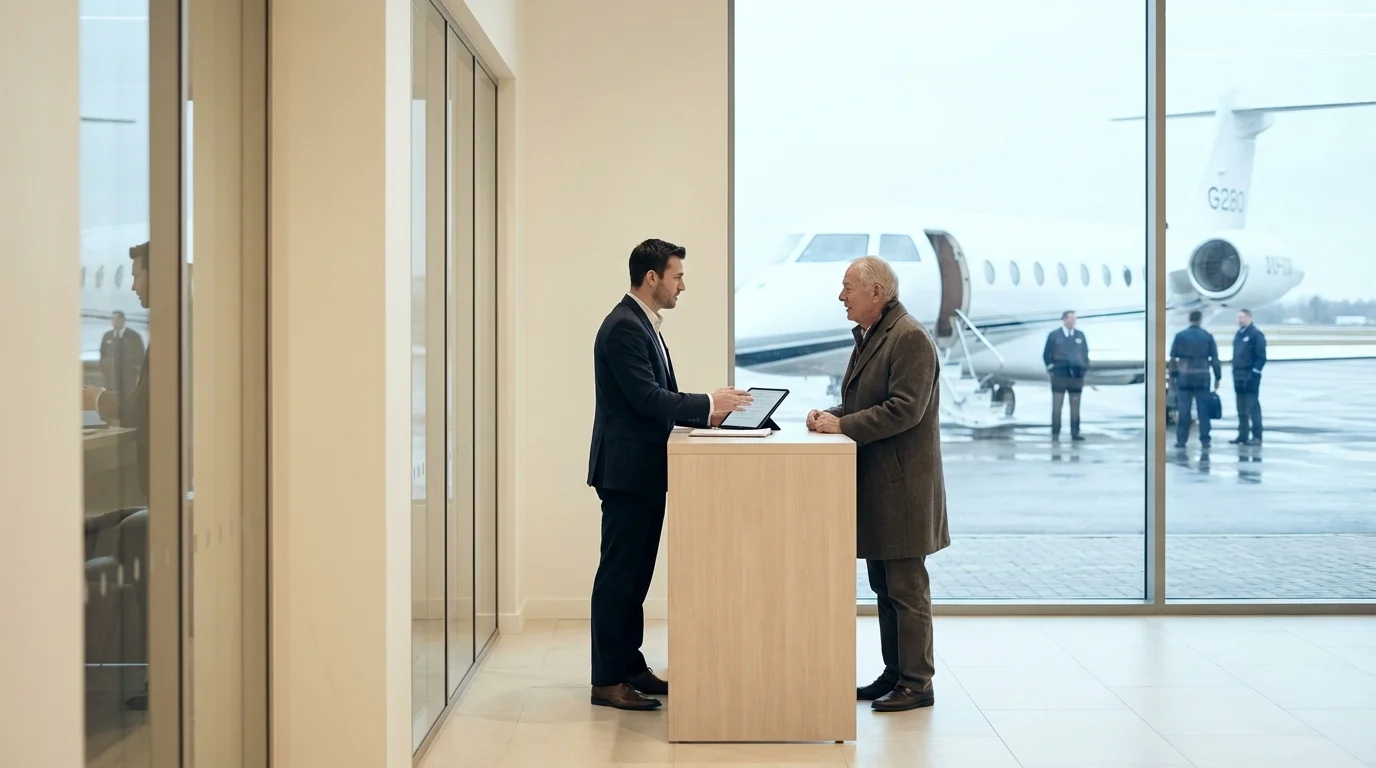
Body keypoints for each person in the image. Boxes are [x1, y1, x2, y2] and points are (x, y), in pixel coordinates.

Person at [586, 238, 751, 711]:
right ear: (652, 278)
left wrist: (710, 409)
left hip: (642, 471)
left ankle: (630, 666)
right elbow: (647, 399)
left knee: (635, 576)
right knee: (619, 577)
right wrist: (707, 405)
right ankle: (607, 680)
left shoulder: (643, 324)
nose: (684, 285)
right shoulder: (623, 328)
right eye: (677, 275)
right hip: (626, 472)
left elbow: (656, 397)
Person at [806, 255, 949, 713]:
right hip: (881, 487)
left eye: (848, 287)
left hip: (903, 488)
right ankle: (895, 674)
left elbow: (904, 408)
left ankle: (917, 683)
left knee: (906, 589)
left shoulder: (909, 339)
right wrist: (833, 415)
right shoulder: (872, 335)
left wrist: (842, 426)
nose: (840, 296)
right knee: (885, 589)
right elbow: (867, 400)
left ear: (877, 292)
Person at [1169, 310, 1222, 448]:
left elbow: (1173, 358)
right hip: (1202, 376)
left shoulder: (1180, 336)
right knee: (1203, 411)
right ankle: (1205, 439)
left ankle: (1181, 440)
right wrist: (1218, 377)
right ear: (1200, 320)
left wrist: (1173, 377)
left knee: (1184, 410)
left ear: (1189, 319)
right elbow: (1215, 359)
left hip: (1184, 377)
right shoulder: (1207, 336)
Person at [1042, 310, 1089, 441]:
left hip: (1076, 377)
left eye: (1075, 319)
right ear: (1064, 319)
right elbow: (1046, 354)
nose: (1073, 321)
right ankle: (1055, 432)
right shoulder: (1054, 335)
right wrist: (1052, 368)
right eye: (1071, 319)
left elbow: (1085, 353)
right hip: (1059, 377)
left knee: (1075, 407)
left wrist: (1084, 368)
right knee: (1057, 406)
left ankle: (1075, 432)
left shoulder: (1080, 335)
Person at [1230, 308, 1266, 446]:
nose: (1239, 320)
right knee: (1241, 408)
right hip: (1238, 375)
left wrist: (1255, 372)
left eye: (1242, 317)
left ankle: (1257, 436)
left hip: (1250, 375)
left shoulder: (1256, 335)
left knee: (1252, 406)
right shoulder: (1239, 334)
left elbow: (1261, 356)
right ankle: (1242, 435)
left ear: (1249, 317)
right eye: (1238, 317)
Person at [99, 310, 145, 392]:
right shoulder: (107, 336)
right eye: (112, 320)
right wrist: (104, 368)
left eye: (116, 319)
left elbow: (140, 355)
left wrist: (134, 370)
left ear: (123, 320)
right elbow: (103, 354)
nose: (114, 322)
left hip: (128, 378)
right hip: (111, 378)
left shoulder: (134, 336)